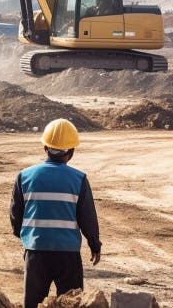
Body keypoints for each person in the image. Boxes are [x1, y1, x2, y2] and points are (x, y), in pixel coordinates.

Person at [10, 119, 102, 308]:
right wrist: (94, 244)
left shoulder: (24, 176)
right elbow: (88, 217)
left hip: (36, 251)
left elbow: (15, 213)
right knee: (71, 302)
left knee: (33, 304)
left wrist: (25, 237)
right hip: (67, 254)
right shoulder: (79, 179)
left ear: (45, 147)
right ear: (71, 151)